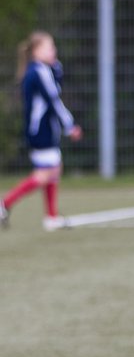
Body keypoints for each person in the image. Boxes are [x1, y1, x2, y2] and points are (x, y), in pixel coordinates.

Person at [1, 31, 82, 232]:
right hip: (41, 131)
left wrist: (56, 65)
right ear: (36, 51)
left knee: (53, 169)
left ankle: (51, 216)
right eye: (49, 47)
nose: (53, 51)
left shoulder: (40, 70)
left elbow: (56, 83)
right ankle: (5, 203)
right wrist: (70, 126)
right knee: (44, 174)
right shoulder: (38, 72)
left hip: (41, 130)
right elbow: (54, 100)